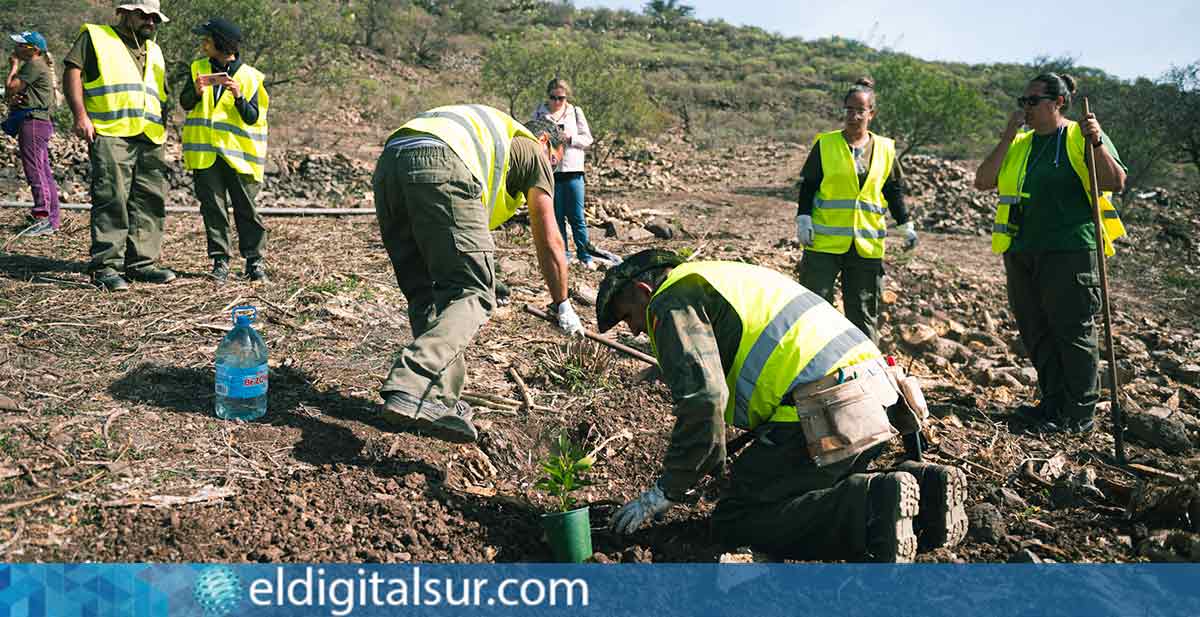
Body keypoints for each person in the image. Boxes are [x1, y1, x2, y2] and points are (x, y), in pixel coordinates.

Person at [594, 249, 967, 562]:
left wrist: (666, 490)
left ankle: (869, 504)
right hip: (879, 401)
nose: (635, 331)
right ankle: (927, 489)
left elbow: (704, 400)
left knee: (737, 517)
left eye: (628, 316)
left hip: (828, 413)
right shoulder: (719, 277)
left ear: (644, 291)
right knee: (777, 485)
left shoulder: (670, 300)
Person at [373, 104, 585, 443]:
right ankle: (412, 383)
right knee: (474, 293)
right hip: (441, 162)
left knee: (426, 292)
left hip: (390, 163)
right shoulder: (531, 147)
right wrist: (562, 303)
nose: (552, 171)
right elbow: (549, 237)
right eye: (555, 162)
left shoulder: (490, 139)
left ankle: (438, 399)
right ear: (545, 141)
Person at [974, 73, 1127, 434]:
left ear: (1057, 102)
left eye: (1032, 101)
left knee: (1072, 330)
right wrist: (1007, 136)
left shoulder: (1079, 136)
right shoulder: (1021, 143)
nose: (1024, 107)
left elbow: (1114, 181)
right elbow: (983, 180)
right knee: (1036, 329)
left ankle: (1079, 414)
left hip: (1071, 249)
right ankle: (1053, 403)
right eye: (1022, 101)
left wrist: (1098, 142)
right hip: (1022, 249)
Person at [795, 77, 916, 345]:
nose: (853, 115)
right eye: (849, 109)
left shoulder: (885, 148)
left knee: (862, 313)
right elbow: (809, 185)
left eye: (860, 110)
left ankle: (863, 371)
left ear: (871, 113)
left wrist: (905, 224)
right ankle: (811, 367)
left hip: (866, 246)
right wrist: (803, 218)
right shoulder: (826, 144)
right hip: (824, 242)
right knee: (814, 308)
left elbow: (892, 190)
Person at [63, 0, 173, 292]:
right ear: (124, 13)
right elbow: (72, 71)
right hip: (111, 131)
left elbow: (160, 93)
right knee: (112, 196)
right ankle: (106, 266)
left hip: (150, 135)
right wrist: (80, 115)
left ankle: (142, 264)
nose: (150, 22)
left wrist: (165, 127)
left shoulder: (156, 50)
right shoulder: (96, 37)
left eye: (154, 18)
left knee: (150, 198)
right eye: (143, 15)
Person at [180, 18, 270, 283]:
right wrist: (195, 92)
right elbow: (185, 103)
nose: (202, 43)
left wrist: (240, 96)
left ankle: (254, 263)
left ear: (221, 43)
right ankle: (220, 262)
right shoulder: (197, 68)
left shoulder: (252, 77)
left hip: (239, 158)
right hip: (206, 155)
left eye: (207, 38)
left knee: (246, 210)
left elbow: (253, 117)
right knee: (213, 209)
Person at [530, 78, 595, 268]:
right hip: (551, 171)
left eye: (561, 98)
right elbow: (531, 135)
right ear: (548, 96)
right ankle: (563, 255)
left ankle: (585, 256)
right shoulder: (539, 113)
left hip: (573, 169)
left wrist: (571, 139)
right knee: (556, 217)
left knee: (577, 216)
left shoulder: (575, 112)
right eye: (553, 97)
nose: (557, 101)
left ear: (566, 97)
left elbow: (587, 138)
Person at [5, 31, 60, 237]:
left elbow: (10, 88)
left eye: (21, 45)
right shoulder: (39, 66)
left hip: (33, 123)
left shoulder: (33, 65)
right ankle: (51, 219)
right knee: (43, 171)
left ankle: (42, 217)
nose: (17, 48)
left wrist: (13, 67)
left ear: (33, 49)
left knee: (35, 170)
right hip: (39, 122)